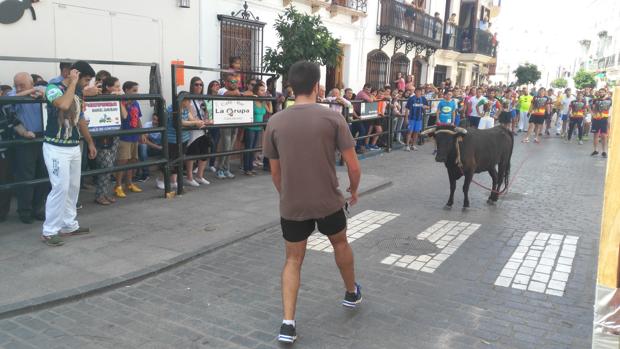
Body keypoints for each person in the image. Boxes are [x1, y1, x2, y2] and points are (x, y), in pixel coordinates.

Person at [262, 61, 362, 344]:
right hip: (328, 200)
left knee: (293, 259)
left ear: (291, 87)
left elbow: (275, 172)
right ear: (318, 87)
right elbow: (353, 167)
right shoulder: (333, 119)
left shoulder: (276, 121)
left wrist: (287, 194)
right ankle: (351, 292)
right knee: (340, 244)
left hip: (293, 204)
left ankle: (288, 323)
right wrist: (353, 191)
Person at [41, 61, 97, 247]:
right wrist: (73, 83)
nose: (86, 84)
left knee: (73, 187)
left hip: (73, 146)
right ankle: (49, 231)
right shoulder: (52, 88)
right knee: (60, 188)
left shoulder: (79, 92)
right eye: (86, 80)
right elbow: (63, 105)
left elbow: (80, 119)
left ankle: (68, 225)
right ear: (75, 75)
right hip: (56, 147)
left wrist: (89, 142)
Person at [8, 72, 48, 223]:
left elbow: (54, 94)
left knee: (43, 175)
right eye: (16, 84)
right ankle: (24, 212)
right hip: (25, 138)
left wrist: (42, 92)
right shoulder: (15, 93)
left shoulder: (40, 88)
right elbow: (9, 98)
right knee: (26, 176)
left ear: (32, 83)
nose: (18, 88)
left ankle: (38, 209)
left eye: (22, 85)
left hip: (43, 138)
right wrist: (29, 91)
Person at [1, 103, 35, 222]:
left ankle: (2, 213)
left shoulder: (5, 108)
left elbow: (15, 122)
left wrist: (25, 133)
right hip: (4, 148)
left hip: (7, 150)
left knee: (6, 181)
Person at [166, 92, 204, 189]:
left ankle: (174, 181)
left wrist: (197, 122)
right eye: (188, 100)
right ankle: (165, 180)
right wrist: (195, 122)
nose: (190, 102)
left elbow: (190, 119)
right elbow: (180, 121)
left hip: (183, 137)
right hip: (172, 138)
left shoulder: (185, 108)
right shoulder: (172, 108)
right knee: (172, 159)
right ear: (183, 100)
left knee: (179, 158)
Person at [93, 77, 122, 205]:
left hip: (114, 134)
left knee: (110, 165)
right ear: (108, 87)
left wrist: (119, 100)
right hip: (101, 134)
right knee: (106, 165)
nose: (119, 89)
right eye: (116, 86)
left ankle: (105, 193)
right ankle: (100, 195)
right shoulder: (98, 96)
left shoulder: (116, 98)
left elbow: (124, 115)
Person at [114, 81, 144, 198]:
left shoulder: (136, 102)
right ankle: (118, 186)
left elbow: (138, 118)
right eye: (134, 90)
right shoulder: (120, 102)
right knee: (122, 161)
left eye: (137, 90)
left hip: (134, 136)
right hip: (124, 137)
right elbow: (122, 116)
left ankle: (129, 183)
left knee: (132, 160)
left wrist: (142, 133)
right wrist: (124, 104)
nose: (137, 93)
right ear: (126, 90)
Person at [185, 76, 212, 187]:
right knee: (192, 152)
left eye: (201, 84)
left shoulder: (202, 98)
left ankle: (199, 176)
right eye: (196, 84)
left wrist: (206, 116)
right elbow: (188, 115)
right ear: (192, 85)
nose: (199, 86)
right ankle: (189, 177)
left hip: (203, 128)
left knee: (204, 152)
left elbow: (206, 114)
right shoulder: (188, 98)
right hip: (193, 129)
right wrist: (198, 122)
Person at [216, 73, 241, 179]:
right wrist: (236, 92)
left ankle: (226, 168)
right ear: (226, 82)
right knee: (226, 146)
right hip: (225, 121)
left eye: (236, 82)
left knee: (230, 147)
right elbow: (228, 94)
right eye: (232, 81)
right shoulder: (221, 90)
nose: (235, 84)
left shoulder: (236, 91)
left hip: (235, 120)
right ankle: (220, 169)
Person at [243, 82, 271, 175]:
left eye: (264, 90)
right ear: (256, 91)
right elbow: (244, 95)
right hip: (250, 128)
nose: (264, 92)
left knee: (253, 149)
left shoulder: (262, 101)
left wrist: (269, 100)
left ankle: (250, 167)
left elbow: (270, 110)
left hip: (258, 128)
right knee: (249, 148)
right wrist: (253, 95)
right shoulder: (252, 100)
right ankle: (246, 168)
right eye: (261, 90)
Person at [205, 80, 221, 173]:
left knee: (214, 144)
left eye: (218, 85)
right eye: (215, 85)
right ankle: (198, 165)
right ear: (210, 87)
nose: (217, 86)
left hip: (216, 124)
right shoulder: (206, 98)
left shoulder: (220, 98)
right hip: (207, 123)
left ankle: (211, 164)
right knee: (204, 144)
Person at [590, 88, 612, 158]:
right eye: (600, 92)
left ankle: (604, 151)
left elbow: (609, 106)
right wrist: (592, 114)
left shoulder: (609, 99)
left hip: (604, 119)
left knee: (603, 136)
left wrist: (609, 119)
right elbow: (592, 108)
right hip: (596, 119)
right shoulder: (595, 100)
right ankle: (595, 150)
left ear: (605, 93)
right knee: (595, 135)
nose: (601, 93)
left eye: (602, 92)